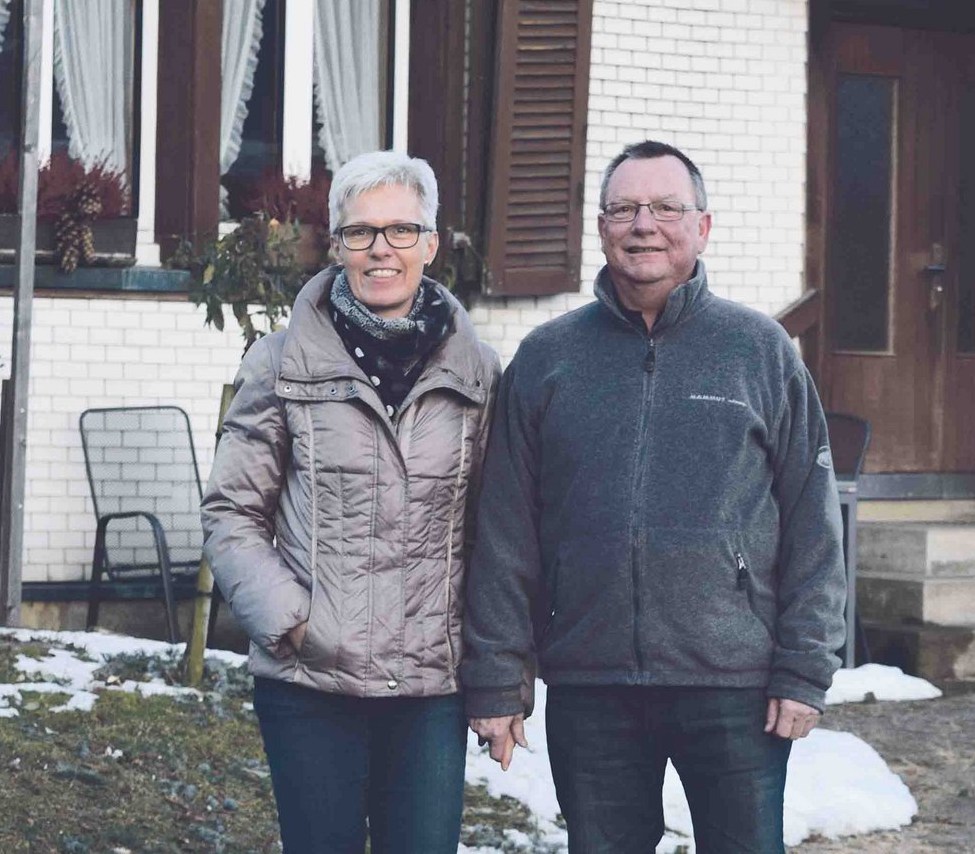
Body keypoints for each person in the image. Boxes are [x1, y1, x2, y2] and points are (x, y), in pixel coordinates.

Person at [461, 140, 846, 853]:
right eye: (624, 208)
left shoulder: (759, 351)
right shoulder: (548, 359)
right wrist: (495, 677)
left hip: (735, 685)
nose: (644, 224)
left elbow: (812, 523)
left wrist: (805, 666)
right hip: (591, 680)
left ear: (702, 227)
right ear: (601, 227)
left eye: (667, 208)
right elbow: (505, 529)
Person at [201, 150, 500, 854]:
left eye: (401, 230)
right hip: (311, 681)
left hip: (430, 683)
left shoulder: (479, 372)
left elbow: (497, 529)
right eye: (360, 233)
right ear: (337, 247)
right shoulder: (280, 362)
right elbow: (231, 513)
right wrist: (292, 622)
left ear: (431, 244)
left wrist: (495, 663)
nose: (380, 250)